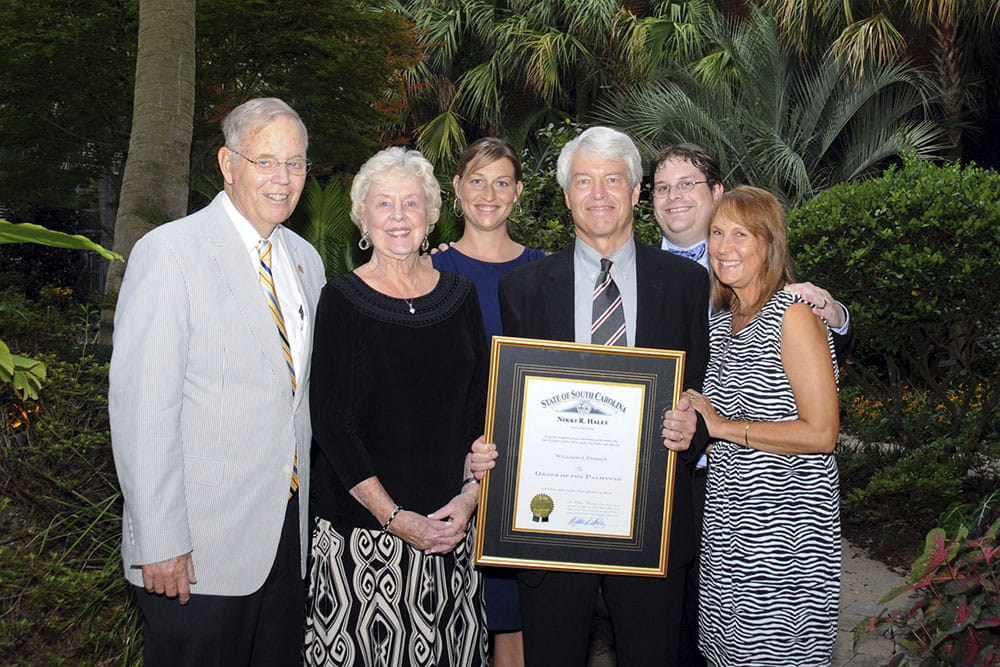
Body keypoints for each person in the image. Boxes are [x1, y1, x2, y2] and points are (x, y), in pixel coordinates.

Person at [473, 126, 709, 667]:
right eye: (584, 181)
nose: (598, 194)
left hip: (653, 520)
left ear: (635, 193)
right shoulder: (525, 289)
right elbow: (514, 402)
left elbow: (697, 391)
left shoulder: (684, 284)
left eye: (612, 180)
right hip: (552, 526)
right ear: (566, 195)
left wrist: (691, 431)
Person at [109, 98, 326, 665]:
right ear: (228, 164)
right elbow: (142, 413)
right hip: (195, 549)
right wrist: (161, 541)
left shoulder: (305, 260)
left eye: (297, 163)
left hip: (284, 538)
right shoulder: (169, 253)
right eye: (266, 161)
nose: (283, 178)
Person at [649, 143, 852, 666]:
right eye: (717, 233)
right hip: (725, 524)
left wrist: (723, 426)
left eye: (742, 234)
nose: (724, 246)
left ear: (770, 244)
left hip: (785, 532)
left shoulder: (794, 314)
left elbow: (821, 433)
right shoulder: (721, 320)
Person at [306, 146, 489, 666]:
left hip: (451, 531)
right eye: (383, 205)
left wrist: (471, 498)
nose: (398, 217)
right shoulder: (340, 299)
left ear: (431, 215)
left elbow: (482, 409)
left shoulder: (461, 295)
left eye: (411, 204)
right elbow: (332, 424)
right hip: (363, 539)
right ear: (363, 218)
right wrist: (394, 518)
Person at [432, 137, 544, 667]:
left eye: (502, 182)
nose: (488, 193)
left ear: (518, 192)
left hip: (523, 468)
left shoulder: (546, 273)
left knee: (512, 619)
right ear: (456, 188)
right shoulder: (429, 271)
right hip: (447, 466)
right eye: (476, 179)